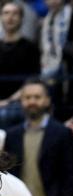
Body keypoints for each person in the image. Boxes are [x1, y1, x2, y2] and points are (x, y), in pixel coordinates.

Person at [3, 78, 73, 196]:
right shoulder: (11, 135)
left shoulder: (61, 133)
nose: (32, 101)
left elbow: (69, 174)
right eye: (27, 97)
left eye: (37, 97)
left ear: (47, 100)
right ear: (22, 101)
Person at [0, 1, 40, 129]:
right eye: (6, 13)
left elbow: (32, 80)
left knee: (7, 115)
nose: (10, 17)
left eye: (14, 14)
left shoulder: (30, 48)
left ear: (21, 18)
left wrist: (9, 100)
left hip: (19, 102)